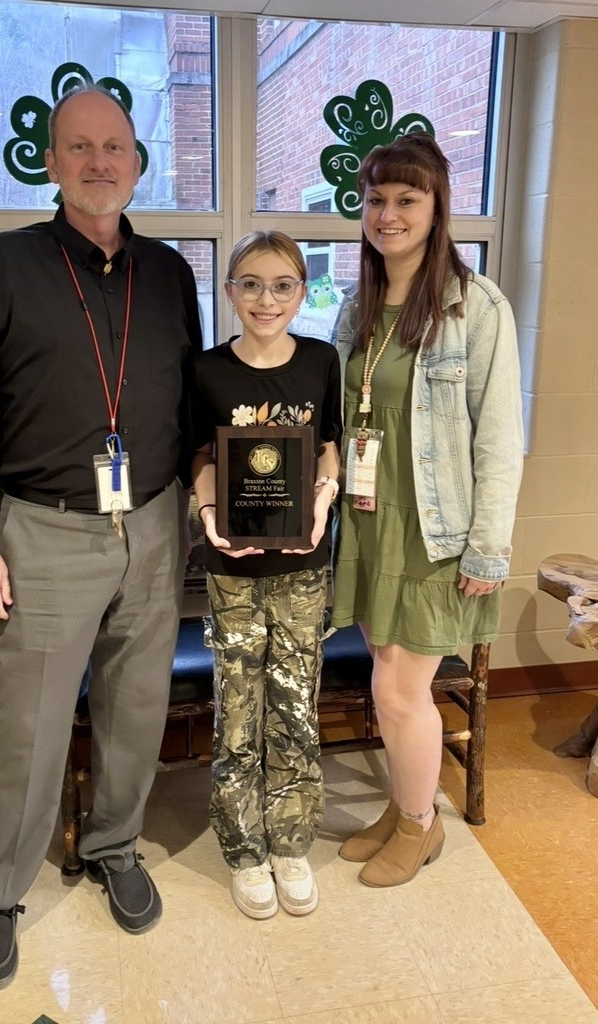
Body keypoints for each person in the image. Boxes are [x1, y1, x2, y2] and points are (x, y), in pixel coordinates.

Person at [0, 83, 202, 990]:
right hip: (42, 528)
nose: (98, 162)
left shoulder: (169, 273)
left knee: (134, 706)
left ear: (136, 161)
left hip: (153, 521)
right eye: (78, 147)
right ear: (51, 163)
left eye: (114, 147)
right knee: (28, 724)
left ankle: (114, 844)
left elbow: (185, 399)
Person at [331, 132, 523, 887]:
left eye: (405, 199)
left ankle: (419, 827)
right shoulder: (360, 304)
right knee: (387, 678)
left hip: (436, 536)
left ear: (436, 206)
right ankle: (407, 804)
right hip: (373, 524)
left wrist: (487, 549)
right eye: (376, 199)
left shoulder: (475, 307)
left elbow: (501, 441)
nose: (388, 214)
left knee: (396, 690)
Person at [187, 231, 341, 919]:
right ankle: (244, 849)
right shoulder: (207, 371)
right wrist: (209, 510)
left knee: (296, 704)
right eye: (249, 283)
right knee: (239, 710)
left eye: (281, 285)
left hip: (303, 564)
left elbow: (330, 444)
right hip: (233, 568)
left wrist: (323, 497)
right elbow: (198, 452)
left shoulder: (320, 362)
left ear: (301, 292)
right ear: (229, 291)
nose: (265, 298)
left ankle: (290, 842)